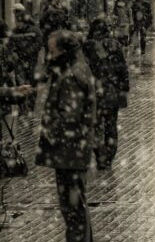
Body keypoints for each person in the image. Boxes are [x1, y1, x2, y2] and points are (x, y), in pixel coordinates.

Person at [36, 30, 96, 242]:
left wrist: (50, 132)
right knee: (76, 206)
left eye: (52, 51)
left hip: (69, 151)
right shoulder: (74, 68)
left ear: (64, 51)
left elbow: (69, 116)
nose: (49, 56)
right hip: (72, 150)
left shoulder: (71, 75)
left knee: (73, 208)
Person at [83, 18, 130, 170]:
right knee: (109, 126)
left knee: (98, 126)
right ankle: (107, 156)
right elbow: (122, 69)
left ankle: (102, 156)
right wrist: (123, 87)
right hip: (109, 92)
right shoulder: (113, 45)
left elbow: (82, 71)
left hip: (97, 93)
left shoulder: (87, 47)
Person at [8, 4, 43, 86]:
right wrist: (13, 52)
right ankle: (22, 97)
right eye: (16, 22)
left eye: (19, 22)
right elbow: (10, 44)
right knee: (20, 82)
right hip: (19, 61)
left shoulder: (34, 30)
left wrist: (27, 52)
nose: (17, 24)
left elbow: (39, 43)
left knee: (32, 80)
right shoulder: (14, 32)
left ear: (24, 22)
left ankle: (32, 96)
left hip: (32, 60)